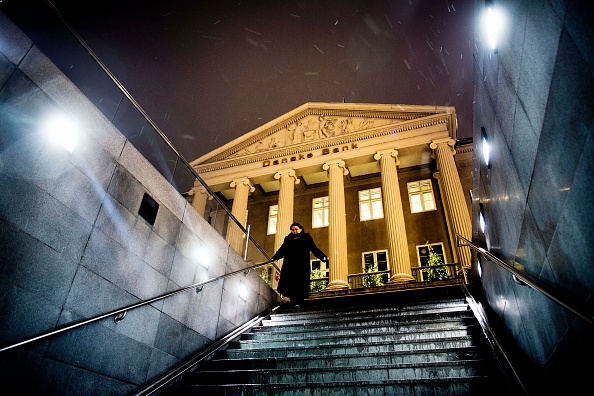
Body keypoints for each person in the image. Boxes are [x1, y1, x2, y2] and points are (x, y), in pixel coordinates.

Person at [272, 222, 327, 309]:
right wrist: (275, 257)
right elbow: (282, 249)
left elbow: (314, 248)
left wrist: (322, 256)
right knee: (290, 283)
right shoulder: (288, 239)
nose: (294, 231)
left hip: (302, 265)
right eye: (293, 230)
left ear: (301, 229)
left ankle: (299, 302)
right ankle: (294, 302)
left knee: (300, 283)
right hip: (289, 265)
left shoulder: (306, 237)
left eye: (296, 229)